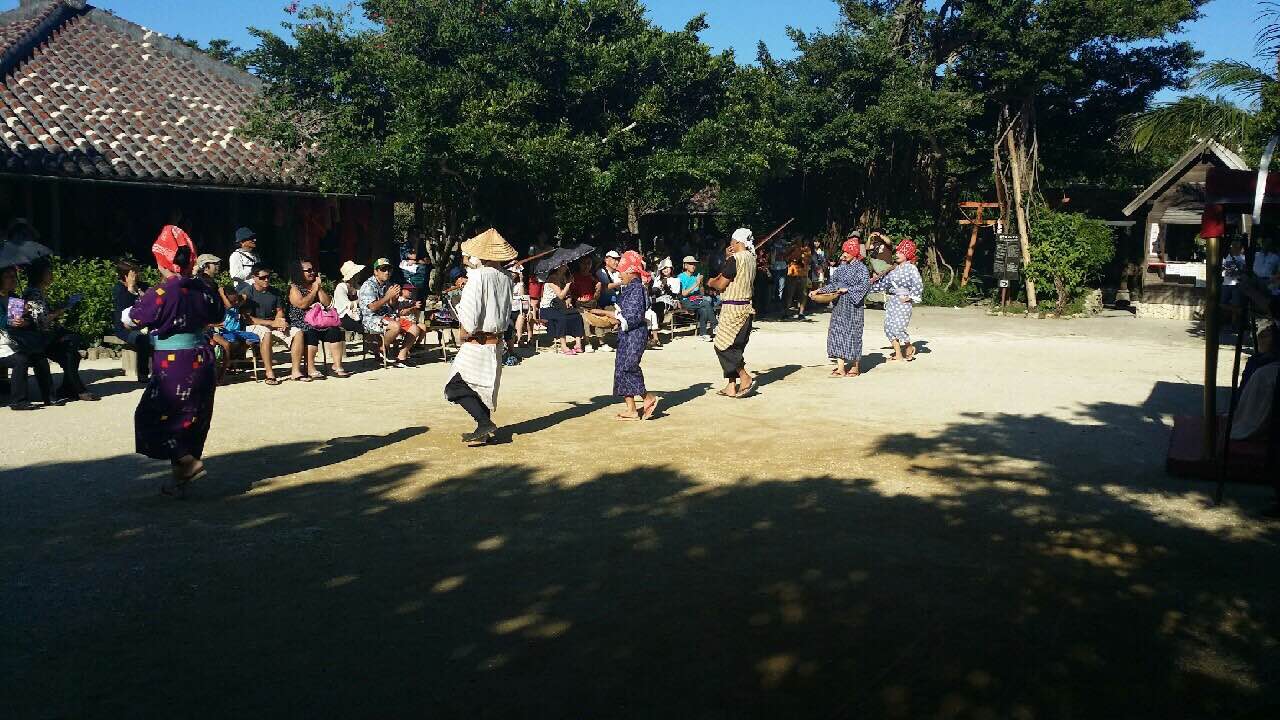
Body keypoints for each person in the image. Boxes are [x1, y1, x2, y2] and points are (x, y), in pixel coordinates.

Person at [119, 224, 223, 496]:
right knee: (193, 418)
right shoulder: (203, 287)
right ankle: (180, 481)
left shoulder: (163, 291)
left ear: (161, 260)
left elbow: (133, 320)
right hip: (203, 358)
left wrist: (130, 303)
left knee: (150, 416)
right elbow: (218, 314)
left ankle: (187, 463)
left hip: (175, 363)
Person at [444, 228, 515, 444]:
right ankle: (483, 429)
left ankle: (484, 424)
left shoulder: (478, 277)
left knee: (454, 386)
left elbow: (470, 319)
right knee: (482, 387)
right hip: (495, 341)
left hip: (478, 341)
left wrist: (458, 304)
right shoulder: (507, 277)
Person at [22, 258, 97, 402]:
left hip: (47, 335)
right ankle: (77, 389)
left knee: (72, 352)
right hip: (40, 338)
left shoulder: (38, 291)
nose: (51, 274)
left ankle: (69, 388)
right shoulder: (33, 294)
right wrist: (64, 308)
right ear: (39, 275)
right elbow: (42, 321)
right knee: (71, 347)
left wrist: (63, 305)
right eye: (48, 272)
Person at [601, 251, 659, 420]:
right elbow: (625, 313)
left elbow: (633, 315)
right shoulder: (630, 288)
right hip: (627, 333)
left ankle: (647, 397)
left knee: (629, 366)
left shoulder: (637, 288)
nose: (619, 275)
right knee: (621, 367)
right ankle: (631, 409)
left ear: (631, 272)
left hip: (635, 334)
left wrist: (614, 318)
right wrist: (612, 317)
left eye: (621, 272)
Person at [709, 228, 758, 397]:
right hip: (746, 307)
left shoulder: (736, 259)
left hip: (733, 308)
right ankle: (731, 385)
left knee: (722, 345)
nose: (730, 244)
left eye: (731, 241)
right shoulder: (751, 258)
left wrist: (711, 282)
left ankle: (744, 377)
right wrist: (727, 258)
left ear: (737, 242)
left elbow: (721, 284)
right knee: (735, 347)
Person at [1, 265, 58, 409]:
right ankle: (18, 401)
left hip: (15, 340)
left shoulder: (14, 297)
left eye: (14, 276)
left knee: (39, 357)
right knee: (20, 360)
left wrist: (24, 320)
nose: (13, 279)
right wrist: (10, 321)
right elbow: (4, 321)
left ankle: (49, 397)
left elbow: (24, 321)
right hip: (3, 343)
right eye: (8, 277)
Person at [812, 238, 871, 377]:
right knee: (837, 332)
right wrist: (819, 291)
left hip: (854, 306)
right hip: (839, 305)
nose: (844, 254)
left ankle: (855, 366)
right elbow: (833, 284)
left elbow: (865, 286)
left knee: (853, 334)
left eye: (847, 252)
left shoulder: (862, 268)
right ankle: (840, 368)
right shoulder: (841, 267)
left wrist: (848, 289)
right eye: (844, 251)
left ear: (854, 253)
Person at [287, 259, 348, 379]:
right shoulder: (294, 288)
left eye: (313, 270)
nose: (312, 272)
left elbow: (328, 303)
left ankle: (337, 365)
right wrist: (314, 290)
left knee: (335, 331)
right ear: (299, 272)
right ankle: (310, 368)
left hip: (319, 321)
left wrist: (319, 288)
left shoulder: (315, 285)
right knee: (310, 332)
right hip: (302, 321)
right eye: (308, 270)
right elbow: (302, 304)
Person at [869, 238, 925, 362]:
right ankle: (898, 353)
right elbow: (884, 283)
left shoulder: (912, 269)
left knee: (899, 327)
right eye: (897, 252)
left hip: (904, 302)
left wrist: (910, 297)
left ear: (907, 254)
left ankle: (909, 346)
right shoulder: (894, 269)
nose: (897, 254)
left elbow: (918, 284)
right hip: (893, 301)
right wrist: (869, 287)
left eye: (900, 252)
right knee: (889, 327)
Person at [243, 266, 300, 386]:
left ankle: (296, 371)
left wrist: (280, 321)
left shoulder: (275, 292)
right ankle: (269, 373)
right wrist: (272, 323)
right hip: (253, 325)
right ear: (254, 277)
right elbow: (248, 318)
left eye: (268, 277)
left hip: (272, 324)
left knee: (297, 332)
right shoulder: (247, 293)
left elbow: (279, 310)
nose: (266, 280)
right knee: (266, 332)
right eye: (263, 277)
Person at [358, 258, 409, 367]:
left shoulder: (388, 284)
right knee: (395, 326)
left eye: (389, 269)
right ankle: (382, 349)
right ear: (376, 271)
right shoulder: (368, 285)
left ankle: (401, 357)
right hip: (371, 319)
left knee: (416, 328)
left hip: (387, 316)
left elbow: (392, 306)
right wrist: (387, 296)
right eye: (383, 269)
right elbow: (372, 307)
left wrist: (393, 299)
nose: (387, 272)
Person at [112, 259, 151, 383]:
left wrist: (139, 291)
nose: (137, 275)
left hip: (145, 324)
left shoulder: (143, 286)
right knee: (143, 339)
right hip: (125, 328)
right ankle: (143, 374)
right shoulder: (119, 289)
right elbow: (125, 314)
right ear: (125, 276)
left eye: (137, 272)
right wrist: (130, 289)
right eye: (134, 273)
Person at [539, 265, 585, 354]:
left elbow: (568, 295)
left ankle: (578, 344)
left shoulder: (563, 277)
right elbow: (560, 295)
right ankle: (563, 346)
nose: (566, 266)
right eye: (563, 264)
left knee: (577, 316)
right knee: (561, 318)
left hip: (559, 307)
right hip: (548, 308)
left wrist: (568, 300)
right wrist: (568, 284)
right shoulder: (552, 279)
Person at [678, 256, 716, 340]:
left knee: (704, 310)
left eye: (694, 264)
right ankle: (715, 325)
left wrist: (701, 284)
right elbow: (683, 294)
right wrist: (696, 284)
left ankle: (703, 334)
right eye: (691, 264)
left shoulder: (696, 275)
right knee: (706, 303)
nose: (693, 266)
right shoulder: (681, 277)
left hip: (696, 299)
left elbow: (700, 292)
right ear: (685, 266)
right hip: (686, 301)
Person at [570, 256, 604, 352]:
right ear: (580, 264)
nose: (586, 266)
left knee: (598, 316)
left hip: (592, 303)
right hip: (579, 304)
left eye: (588, 263)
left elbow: (596, 297)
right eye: (584, 263)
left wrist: (598, 290)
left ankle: (602, 342)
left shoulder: (593, 278)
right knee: (585, 319)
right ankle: (587, 342)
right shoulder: (575, 277)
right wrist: (577, 298)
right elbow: (571, 293)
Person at [333, 260, 366, 334]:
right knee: (362, 328)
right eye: (357, 274)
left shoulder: (357, 286)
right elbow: (347, 305)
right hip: (343, 316)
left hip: (357, 314)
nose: (359, 275)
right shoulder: (341, 287)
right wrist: (361, 301)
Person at [784, 237, 812, 319]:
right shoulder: (792, 248)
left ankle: (801, 313)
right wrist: (792, 257)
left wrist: (802, 257)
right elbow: (785, 258)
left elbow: (809, 260)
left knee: (802, 294)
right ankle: (786, 312)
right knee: (789, 293)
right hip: (792, 273)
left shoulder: (807, 249)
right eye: (797, 240)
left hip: (803, 274)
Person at [228, 227, 258, 291]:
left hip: (258, 289)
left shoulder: (256, 255)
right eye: (250, 238)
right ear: (242, 242)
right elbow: (235, 276)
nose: (254, 240)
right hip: (244, 291)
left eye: (254, 238)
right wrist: (253, 269)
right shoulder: (236, 255)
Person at [1222, 239, 1247, 311]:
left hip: (1237, 284)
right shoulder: (1226, 257)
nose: (1234, 247)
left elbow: (1245, 270)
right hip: (1226, 283)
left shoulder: (1242, 258)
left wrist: (1237, 272)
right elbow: (1223, 268)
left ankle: (1236, 316)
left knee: (1236, 305)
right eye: (1233, 246)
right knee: (1222, 303)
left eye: (1236, 246)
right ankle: (1231, 314)